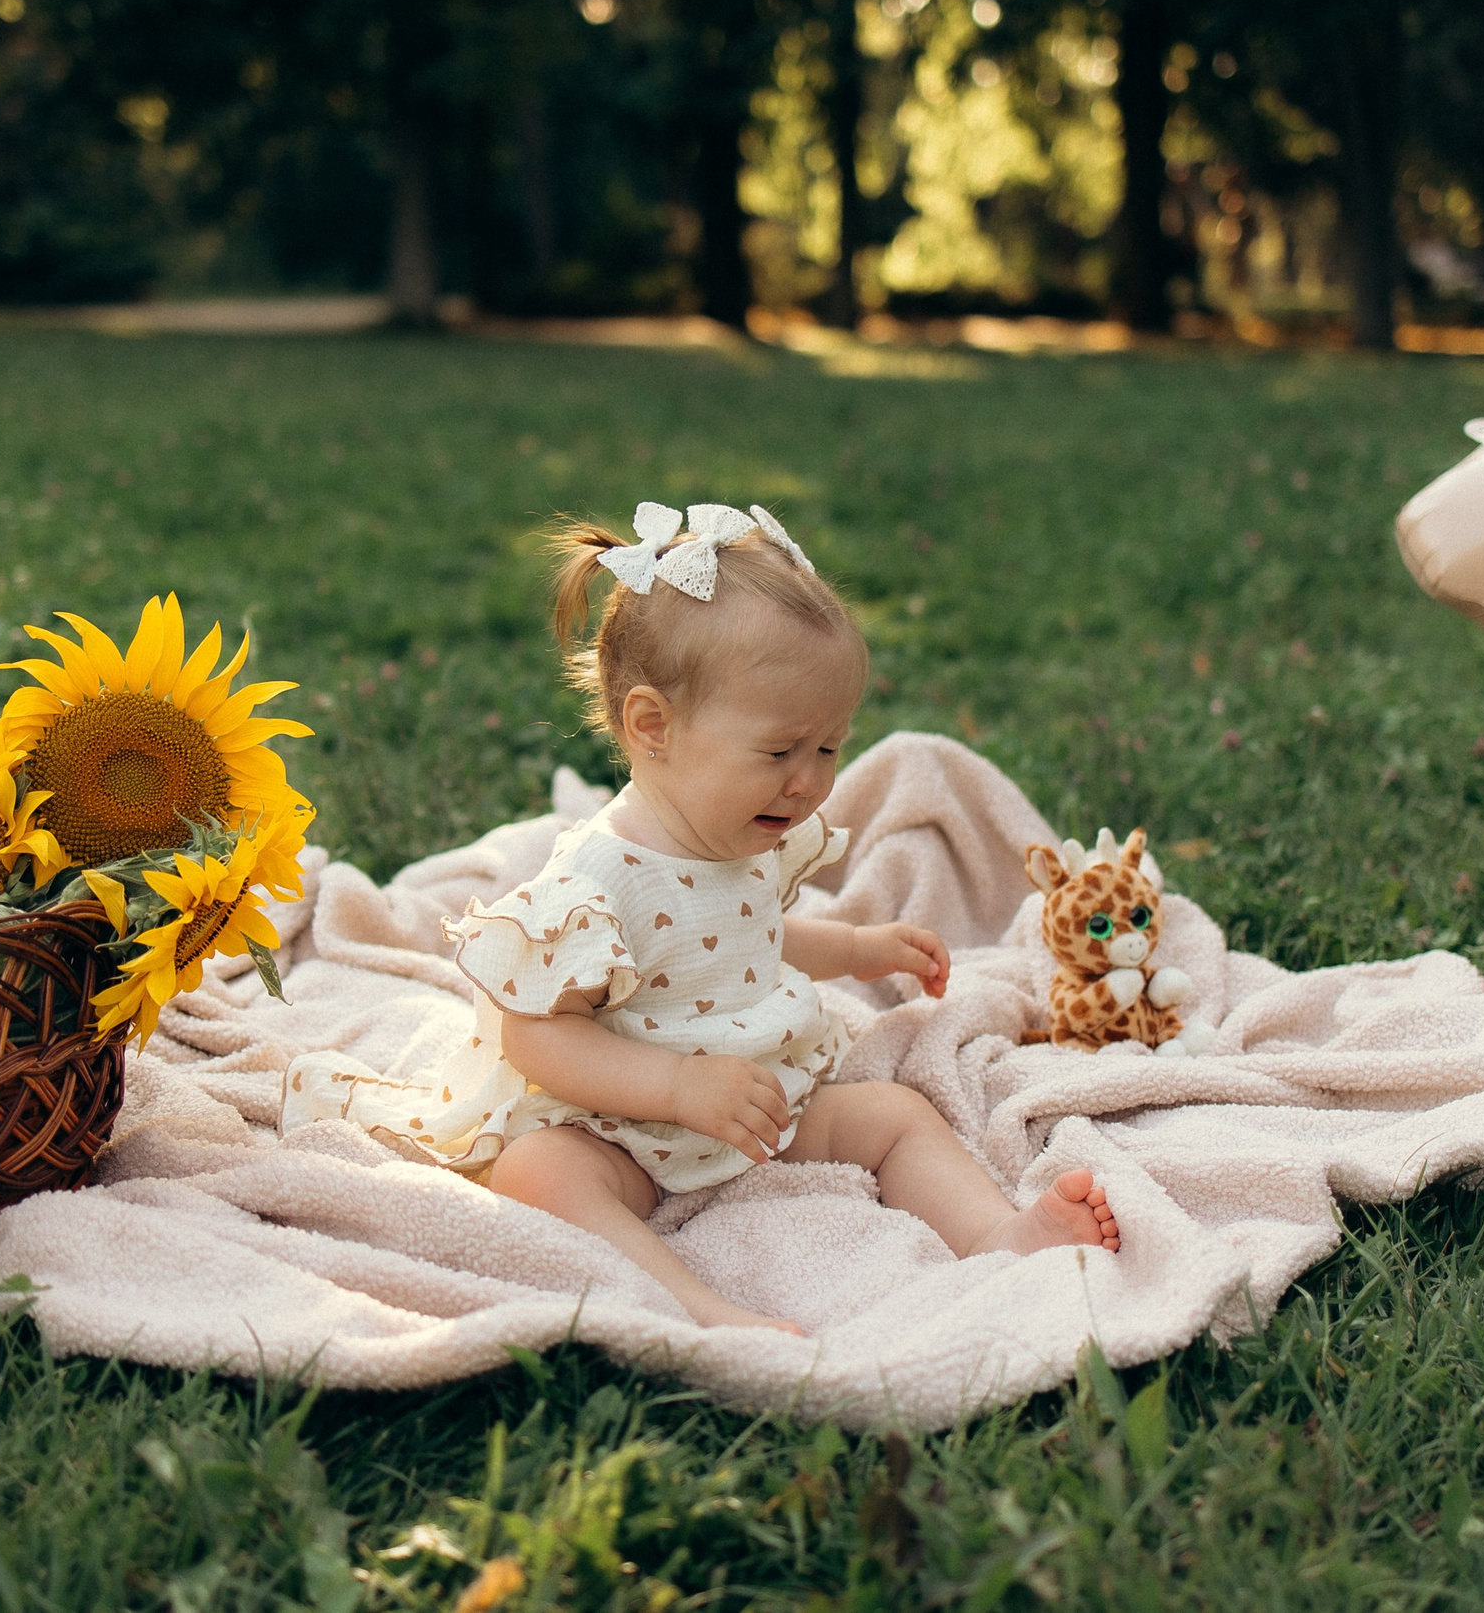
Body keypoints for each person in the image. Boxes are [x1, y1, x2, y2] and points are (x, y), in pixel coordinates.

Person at [299, 502, 1119, 1332]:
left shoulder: (742, 832)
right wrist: (676, 1086)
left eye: (829, 748)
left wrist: (863, 947)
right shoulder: (597, 879)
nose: (809, 782)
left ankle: (999, 1235)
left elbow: (752, 935)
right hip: (617, 1124)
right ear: (651, 726)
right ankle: (696, 1306)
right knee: (539, 1173)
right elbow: (535, 1034)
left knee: (899, 1115)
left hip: (752, 1104)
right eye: (779, 752)